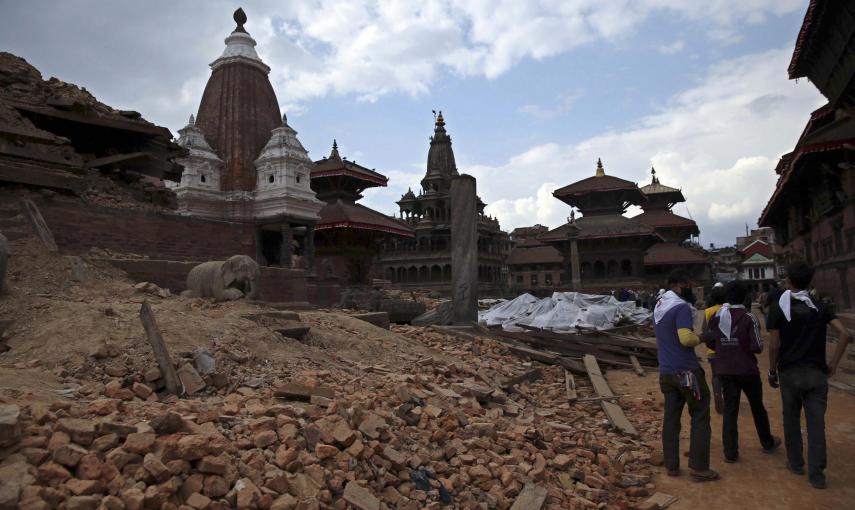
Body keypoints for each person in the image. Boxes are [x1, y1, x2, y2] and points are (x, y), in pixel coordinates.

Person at [767, 261, 852, 489]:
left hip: (789, 373)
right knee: (816, 425)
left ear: (789, 281)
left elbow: (774, 345)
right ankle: (817, 475)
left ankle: (795, 463)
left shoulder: (779, 308)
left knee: (791, 420)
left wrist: (772, 369)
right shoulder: (819, 306)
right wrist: (833, 363)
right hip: (816, 374)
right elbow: (844, 334)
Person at [654, 270, 719, 482]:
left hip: (667, 374)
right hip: (687, 373)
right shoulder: (680, 307)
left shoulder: (660, 306)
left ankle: (672, 466)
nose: (689, 288)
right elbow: (685, 338)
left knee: (671, 419)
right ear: (677, 285)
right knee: (700, 414)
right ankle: (699, 468)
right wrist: (703, 337)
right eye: (687, 284)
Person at [707, 281, 780, 462]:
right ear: (745, 297)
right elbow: (757, 347)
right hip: (747, 370)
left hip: (725, 370)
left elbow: (710, 342)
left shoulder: (717, 316)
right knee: (757, 407)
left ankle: (730, 453)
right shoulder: (749, 317)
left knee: (730, 410)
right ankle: (767, 442)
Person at [701, 284, 726, 414]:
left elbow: (704, 331)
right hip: (728, 349)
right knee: (728, 374)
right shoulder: (728, 310)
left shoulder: (708, 311)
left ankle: (717, 393)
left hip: (713, 349)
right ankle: (728, 396)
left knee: (715, 374)